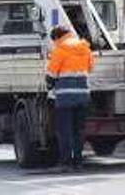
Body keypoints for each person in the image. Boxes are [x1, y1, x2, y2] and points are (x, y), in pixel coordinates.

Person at [46, 25, 94, 171]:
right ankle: (78, 162)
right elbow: (90, 68)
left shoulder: (59, 51)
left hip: (65, 98)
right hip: (83, 96)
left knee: (64, 131)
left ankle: (65, 163)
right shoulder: (85, 48)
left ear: (57, 37)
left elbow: (51, 75)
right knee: (79, 131)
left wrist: (49, 85)